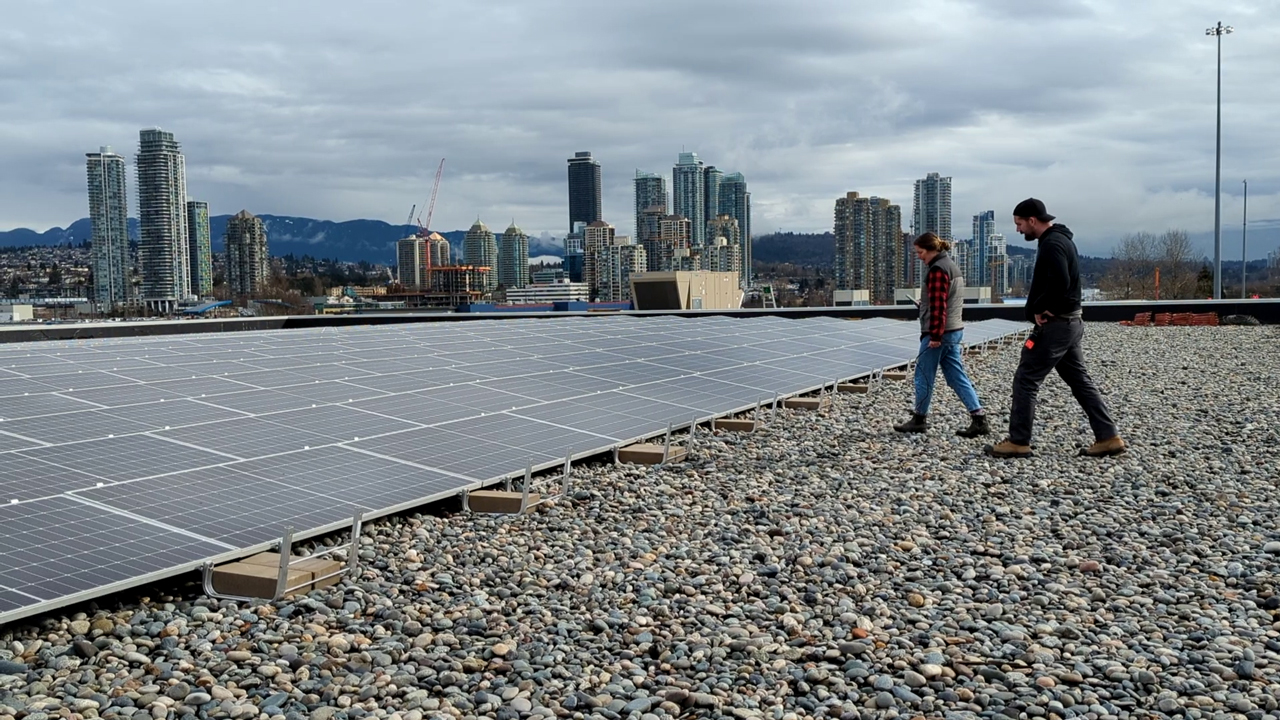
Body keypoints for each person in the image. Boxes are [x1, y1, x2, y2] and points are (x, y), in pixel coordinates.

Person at [985, 199, 1127, 458]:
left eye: (1019, 224)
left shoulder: (1052, 244)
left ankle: (1018, 441)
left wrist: (1041, 307)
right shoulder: (1062, 240)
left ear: (1032, 220)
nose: (1018, 230)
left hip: (1057, 326)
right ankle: (1108, 437)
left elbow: (1060, 281)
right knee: (1080, 381)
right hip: (1071, 323)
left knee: (1026, 378)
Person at [893, 232, 989, 437]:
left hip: (939, 333)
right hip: (954, 330)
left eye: (920, 252)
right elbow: (945, 301)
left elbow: (939, 307)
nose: (919, 256)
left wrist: (935, 336)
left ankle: (919, 419)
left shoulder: (937, 270)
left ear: (931, 250)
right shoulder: (951, 266)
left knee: (923, 375)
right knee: (956, 375)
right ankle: (979, 417)